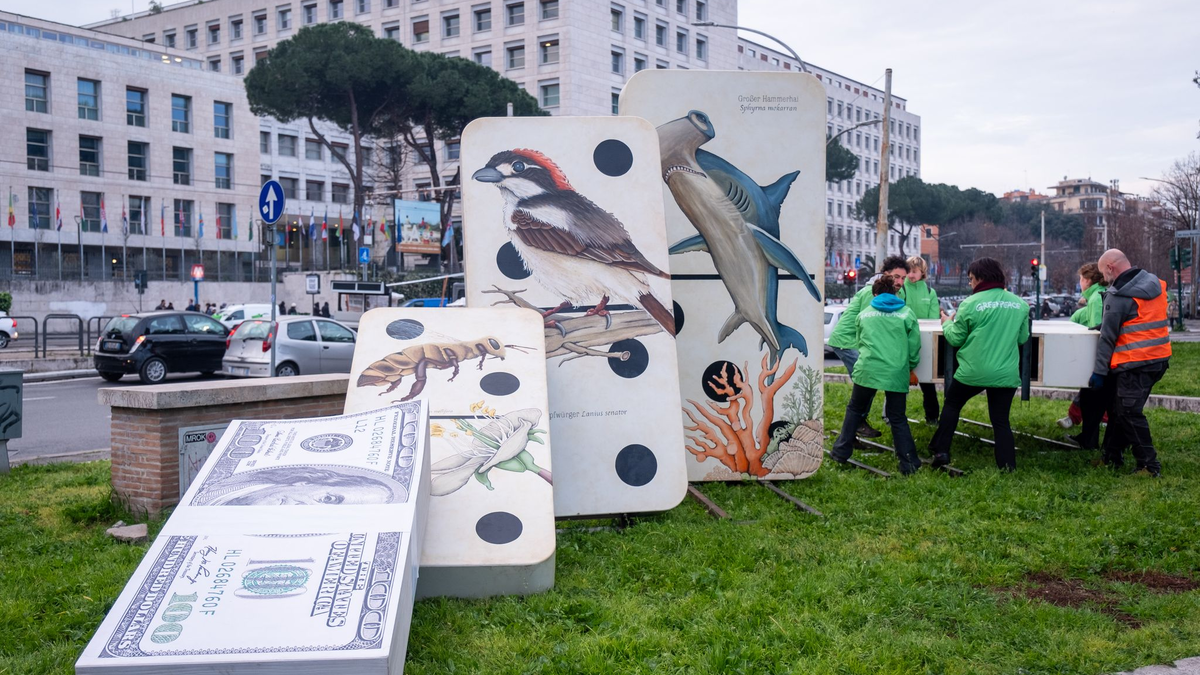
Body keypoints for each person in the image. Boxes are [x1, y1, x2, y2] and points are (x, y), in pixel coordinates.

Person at [929, 258, 1030, 471]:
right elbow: (1022, 339)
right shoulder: (1020, 304)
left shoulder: (970, 304)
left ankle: (941, 451)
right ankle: (1007, 466)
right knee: (1001, 420)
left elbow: (956, 339)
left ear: (980, 278)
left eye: (971, 279)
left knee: (953, 404)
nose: (970, 284)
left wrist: (947, 323)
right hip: (1005, 373)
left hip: (973, 371)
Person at [830, 276, 923, 474]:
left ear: (874, 294)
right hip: (896, 371)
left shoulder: (864, 314)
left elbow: (859, 341)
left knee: (855, 409)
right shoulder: (907, 314)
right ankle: (909, 463)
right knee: (897, 417)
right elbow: (914, 347)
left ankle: (840, 452)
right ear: (895, 292)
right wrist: (910, 366)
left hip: (867, 369)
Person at [1091, 249, 1171, 476]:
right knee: (1119, 410)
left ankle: (1148, 465)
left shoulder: (1118, 295)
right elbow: (1140, 318)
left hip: (1134, 362)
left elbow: (1108, 339)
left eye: (1103, 275)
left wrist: (1099, 372)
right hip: (1159, 358)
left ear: (1110, 268)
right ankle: (1111, 456)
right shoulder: (1156, 284)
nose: (1104, 280)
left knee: (1128, 412)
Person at [826, 256, 911, 438]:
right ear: (885, 274)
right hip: (847, 340)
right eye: (896, 276)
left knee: (867, 382)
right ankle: (857, 424)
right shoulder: (870, 292)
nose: (900, 282)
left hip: (856, 339)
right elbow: (870, 324)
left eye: (903, 278)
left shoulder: (897, 291)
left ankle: (854, 428)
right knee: (867, 380)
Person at [1059, 263, 1107, 441]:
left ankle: (1088, 439)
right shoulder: (1100, 293)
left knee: (1090, 401)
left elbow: (1096, 332)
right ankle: (1088, 438)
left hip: (1099, 360)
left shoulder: (1095, 298)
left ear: (1087, 280)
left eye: (1080, 279)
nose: (1080, 283)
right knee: (1090, 399)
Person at [902, 255, 941, 425]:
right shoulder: (901, 289)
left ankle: (932, 417)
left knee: (928, 384)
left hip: (924, 344)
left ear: (922, 272)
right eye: (909, 271)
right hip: (903, 341)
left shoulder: (930, 292)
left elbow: (934, 319)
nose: (911, 275)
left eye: (915, 271)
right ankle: (891, 416)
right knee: (898, 384)